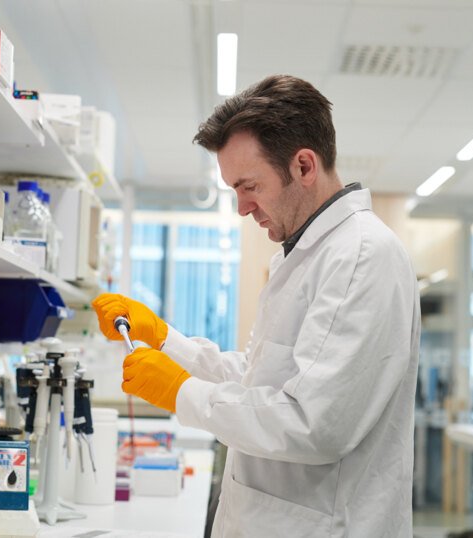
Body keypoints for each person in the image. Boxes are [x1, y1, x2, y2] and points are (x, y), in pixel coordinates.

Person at [92, 74, 420, 537]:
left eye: (250, 186)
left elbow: (312, 422)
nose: (242, 208)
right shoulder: (306, 254)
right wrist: (165, 340)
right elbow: (260, 380)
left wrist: (182, 392)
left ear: (304, 166)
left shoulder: (361, 255)